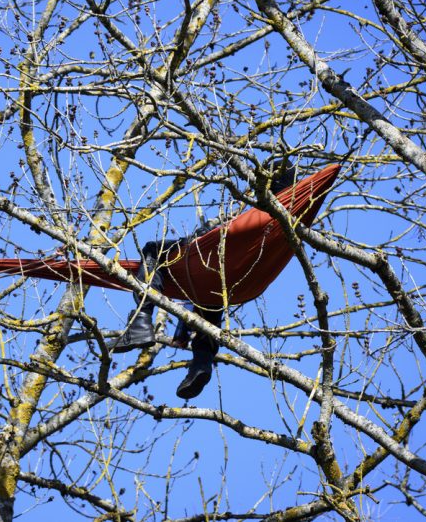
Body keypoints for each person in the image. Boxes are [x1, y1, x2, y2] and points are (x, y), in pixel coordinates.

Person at [111, 159, 296, 399]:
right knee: (210, 293)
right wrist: (182, 329)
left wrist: (201, 236)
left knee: (153, 250)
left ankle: (141, 320)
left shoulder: (264, 205)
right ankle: (202, 362)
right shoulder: (292, 214)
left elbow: (221, 240)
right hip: (241, 280)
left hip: (219, 256)